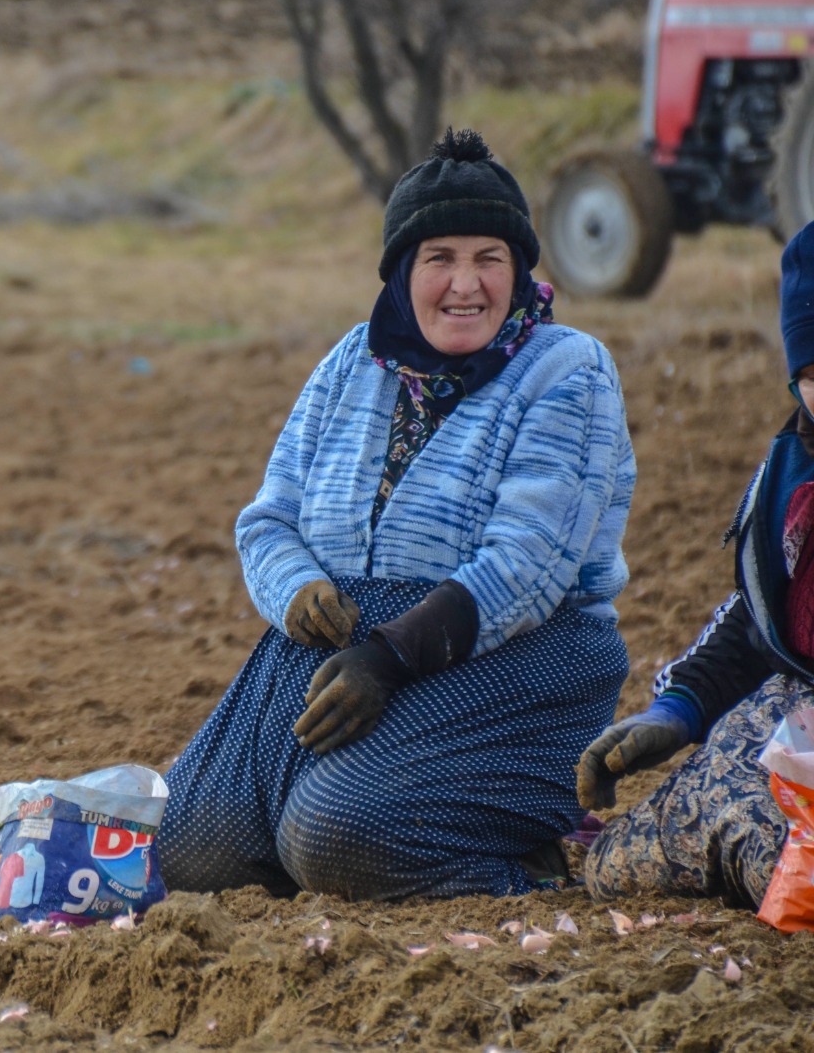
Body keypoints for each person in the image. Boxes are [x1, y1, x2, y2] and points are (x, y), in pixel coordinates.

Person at [156, 129, 636, 900]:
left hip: (510, 658)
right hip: (344, 651)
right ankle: (321, 828)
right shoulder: (355, 361)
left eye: (490, 259)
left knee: (335, 833)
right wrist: (298, 589)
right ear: (403, 271)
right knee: (183, 845)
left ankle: (522, 862)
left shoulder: (567, 371)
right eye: (440, 258)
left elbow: (529, 565)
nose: (465, 285)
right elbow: (268, 518)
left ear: (518, 270)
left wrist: (391, 656)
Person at [579, 222, 814, 908]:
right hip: (793, 719)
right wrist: (677, 711)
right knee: (615, 863)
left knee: (758, 835)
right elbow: (759, 613)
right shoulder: (791, 476)